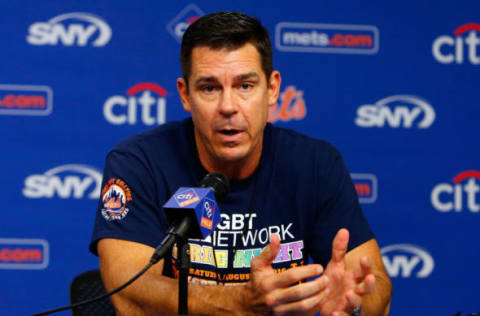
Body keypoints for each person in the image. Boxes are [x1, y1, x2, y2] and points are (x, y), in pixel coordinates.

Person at [90, 11, 392, 316]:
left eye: (245, 86)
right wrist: (240, 303)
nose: (228, 107)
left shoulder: (316, 165)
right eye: (209, 88)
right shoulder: (139, 162)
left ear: (272, 89)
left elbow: (375, 284)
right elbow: (130, 291)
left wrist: (353, 306)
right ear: (185, 95)